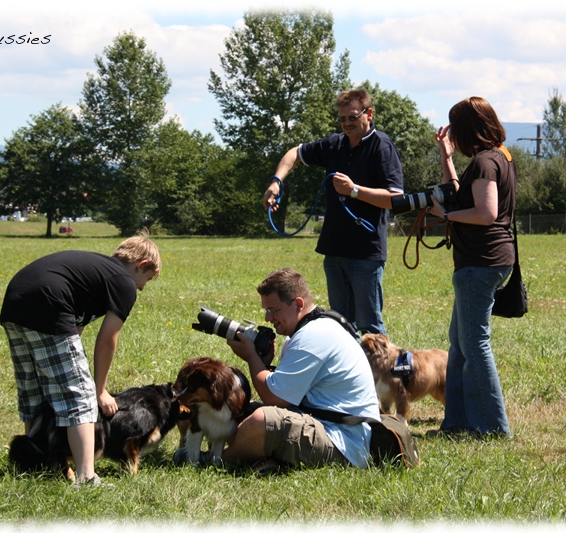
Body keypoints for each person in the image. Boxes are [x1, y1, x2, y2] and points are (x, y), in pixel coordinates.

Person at [0, 234, 161, 484]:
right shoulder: (124, 282)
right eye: (147, 280)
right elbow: (108, 338)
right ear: (141, 266)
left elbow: (76, 328)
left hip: (15, 303)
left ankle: (37, 461)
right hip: (48, 304)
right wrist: (99, 390)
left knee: (37, 392)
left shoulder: (96, 272)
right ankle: (87, 476)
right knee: (80, 395)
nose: (141, 287)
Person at [263, 87, 404, 336]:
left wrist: (355, 191)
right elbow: (294, 153)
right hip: (335, 250)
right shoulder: (335, 144)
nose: (347, 123)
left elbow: (396, 198)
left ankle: (380, 375)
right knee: (340, 325)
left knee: (370, 326)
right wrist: (276, 181)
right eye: (342, 118)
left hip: (366, 253)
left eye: (353, 117)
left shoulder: (381, 146)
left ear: (368, 113)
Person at [221, 268, 380, 471]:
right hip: (324, 425)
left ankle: (218, 460)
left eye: (274, 310)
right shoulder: (310, 329)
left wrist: (252, 357)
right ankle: (263, 457)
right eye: (266, 311)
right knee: (237, 409)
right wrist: (266, 364)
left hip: (343, 442)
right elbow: (288, 394)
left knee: (262, 421)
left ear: (298, 304)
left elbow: (274, 399)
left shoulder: (313, 335)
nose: (268, 318)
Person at [427, 96, 516, 437]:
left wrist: (445, 215)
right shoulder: (501, 157)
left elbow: (485, 212)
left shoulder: (484, 161)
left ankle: (492, 427)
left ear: (467, 130)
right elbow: (465, 194)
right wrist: (446, 158)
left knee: (474, 344)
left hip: (480, 262)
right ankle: (458, 423)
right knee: (460, 343)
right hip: (489, 260)